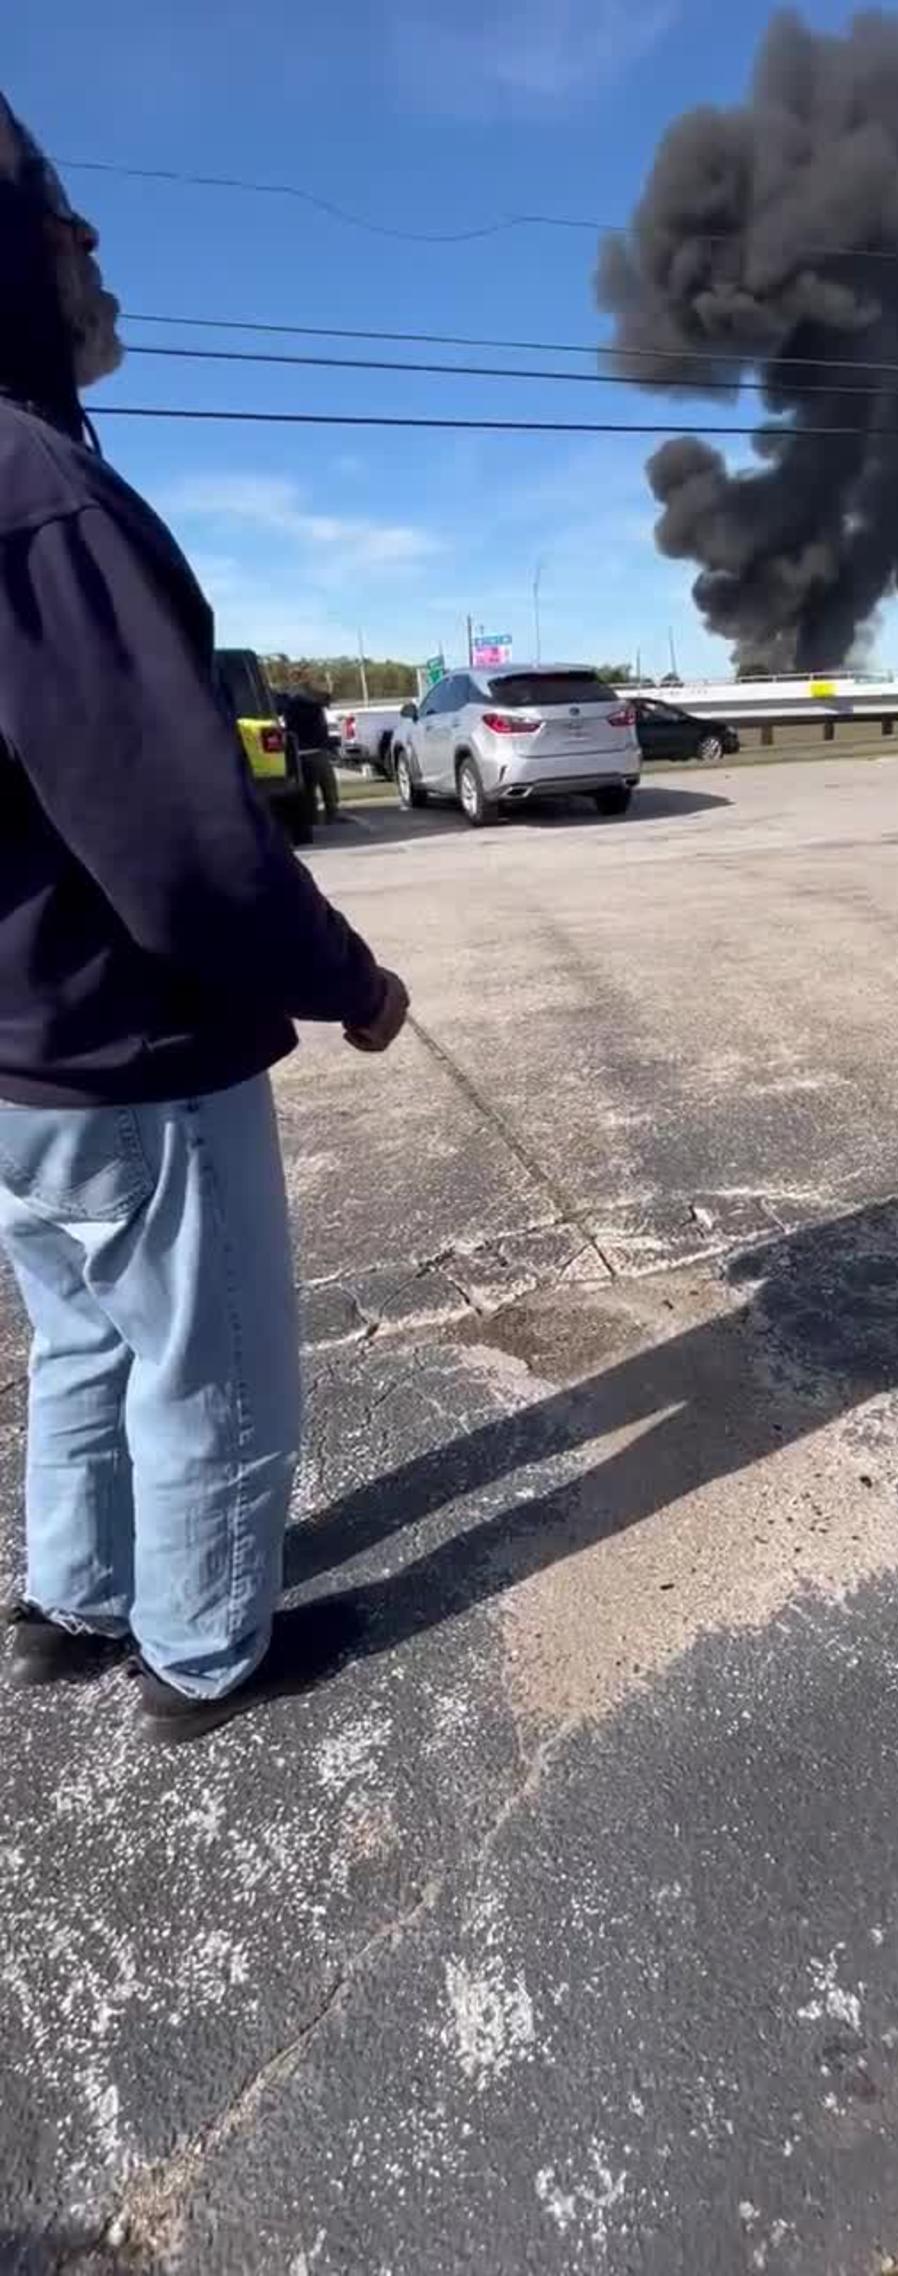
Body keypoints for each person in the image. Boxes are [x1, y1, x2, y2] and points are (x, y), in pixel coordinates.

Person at [0, 97, 410, 1740]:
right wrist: (346, 979)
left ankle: (76, 1605)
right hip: (135, 1051)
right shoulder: (43, 499)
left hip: (24, 1055)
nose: (97, 249)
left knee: (86, 1341)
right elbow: (182, 848)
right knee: (212, 1369)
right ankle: (205, 1652)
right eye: (60, 220)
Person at [278, 682, 344, 825]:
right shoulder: (314, 707)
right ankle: (332, 814)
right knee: (328, 785)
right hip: (316, 751)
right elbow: (325, 699)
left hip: (298, 753)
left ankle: (311, 817)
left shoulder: (289, 707)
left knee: (307, 789)